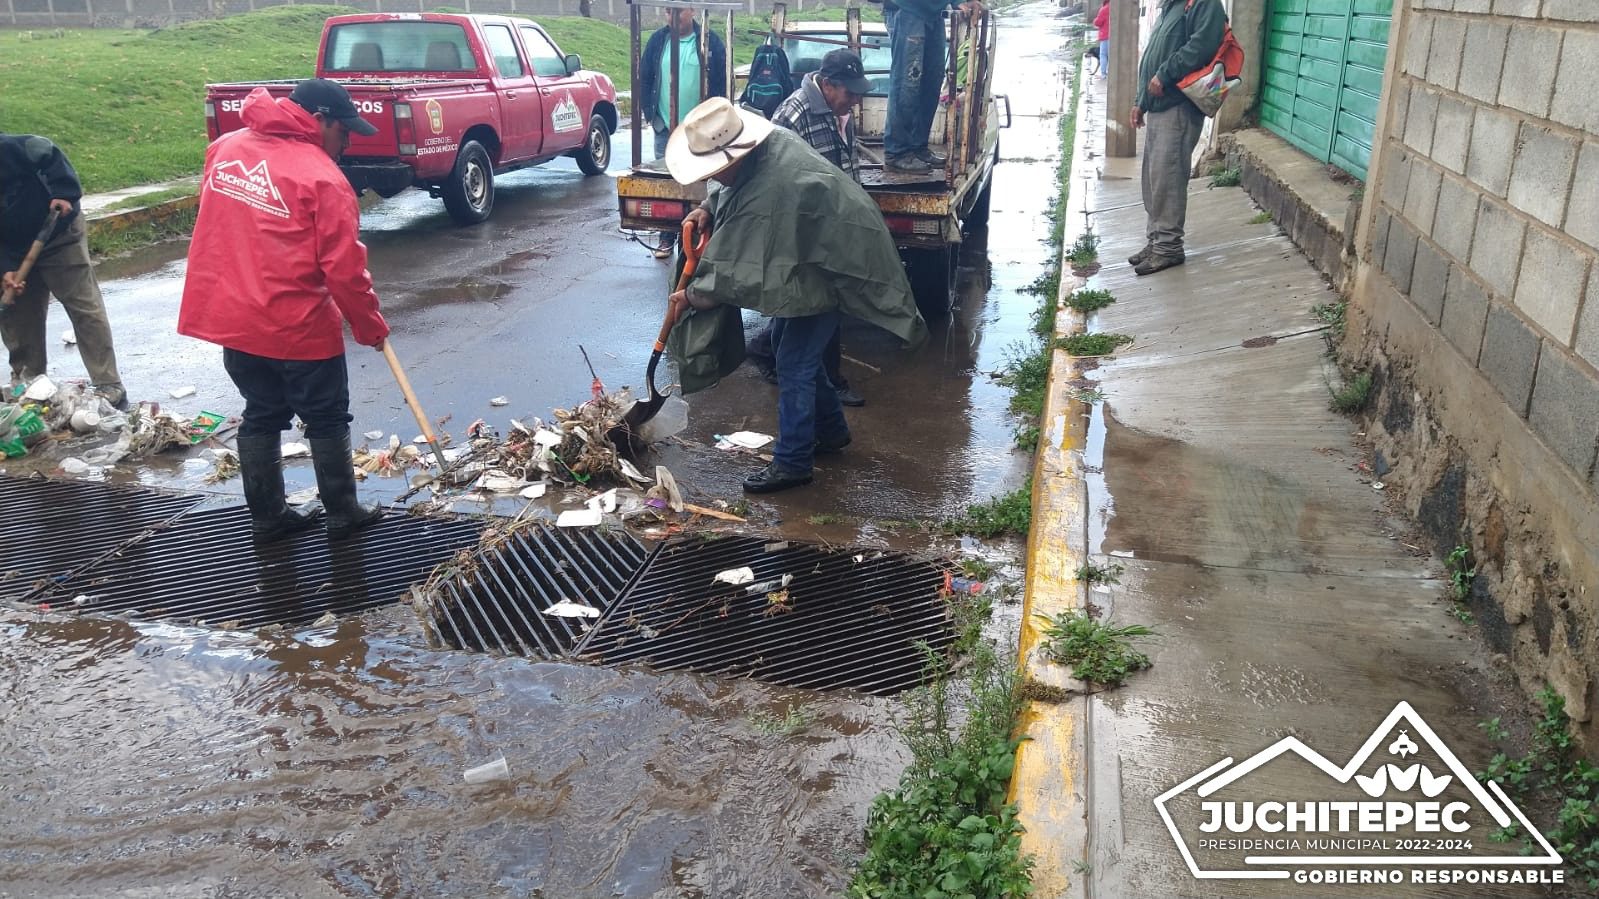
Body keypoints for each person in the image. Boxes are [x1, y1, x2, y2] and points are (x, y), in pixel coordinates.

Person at [666, 98, 925, 493]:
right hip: (809, 249)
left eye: (717, 169)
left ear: (736, 151)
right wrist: (706, 206)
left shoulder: (772, 189)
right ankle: (832, 433)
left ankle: (793, 463)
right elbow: (732, 191)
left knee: (794, 363)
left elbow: (735, 271)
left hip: (831, 258)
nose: (715, 176)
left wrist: (693, 295)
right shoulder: (761, 151)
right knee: (792, 348)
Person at [179, 78, 390, 542]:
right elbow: (343, 270)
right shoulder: (323, 177)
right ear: (320, 120)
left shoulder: (226, 147)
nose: (347, 142)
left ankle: (268, 518)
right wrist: (368, 324)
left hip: (233, 318)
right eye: (345, 131)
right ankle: (342, 512)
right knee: (327, 417)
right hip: (296, 324)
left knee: (261, 409)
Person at [752, 48, 874, 408]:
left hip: (835, 224)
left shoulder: (839, 113)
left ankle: (764, 350)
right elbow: (772, 178)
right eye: (849, 93)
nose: (854, 100)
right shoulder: (793, 115)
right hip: (807, 231)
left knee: (815, 309)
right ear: (827, 83)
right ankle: (831, 381)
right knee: (823, 304)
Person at [1, 133, 128, 410]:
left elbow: (47, 151)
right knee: (18, 316)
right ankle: (30, 384)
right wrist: (6, 269)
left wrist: (63, 191)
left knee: (83, 307)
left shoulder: (14, 148)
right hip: (13, 247)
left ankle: (108, 383)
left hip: (58, 233)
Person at [1128, 0, 1226, 276]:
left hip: (1179, 105)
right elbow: (1152, 57)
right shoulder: (1171, 7)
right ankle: (1156, 242)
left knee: (1168, 177)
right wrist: (1140, 101)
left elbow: (1201, 47)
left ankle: (1169, 248)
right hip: (1159, 105)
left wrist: (1165, 73)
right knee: (1154, 179)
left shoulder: (1204, 4)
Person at [639, 6, 727, 259]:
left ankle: (698, 237)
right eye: (667, 11)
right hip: (666, 126)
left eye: (678, 10)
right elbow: (644, 77)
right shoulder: (658, 40)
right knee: (669, 182)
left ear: (692, 10)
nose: (673, 16)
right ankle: (666, 237)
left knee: (701, 181)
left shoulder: (709, 41)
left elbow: (720, 81)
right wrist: (651, 114)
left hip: (700, 128)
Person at [882, 0, 982, 174]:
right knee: (907, 83)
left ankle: (917, 146)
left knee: (932, 83)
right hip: (907, 9)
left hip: (933, 13)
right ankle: (896, 153)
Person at [1093, 0, 1110, 82]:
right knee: (1111, 56)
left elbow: (1098, 22)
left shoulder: (1104, 9)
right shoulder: (1114, 8)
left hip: (1105, 35)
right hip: (1115, 36)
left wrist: (1094, 20)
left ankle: (1103, 74)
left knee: (1103, 55)